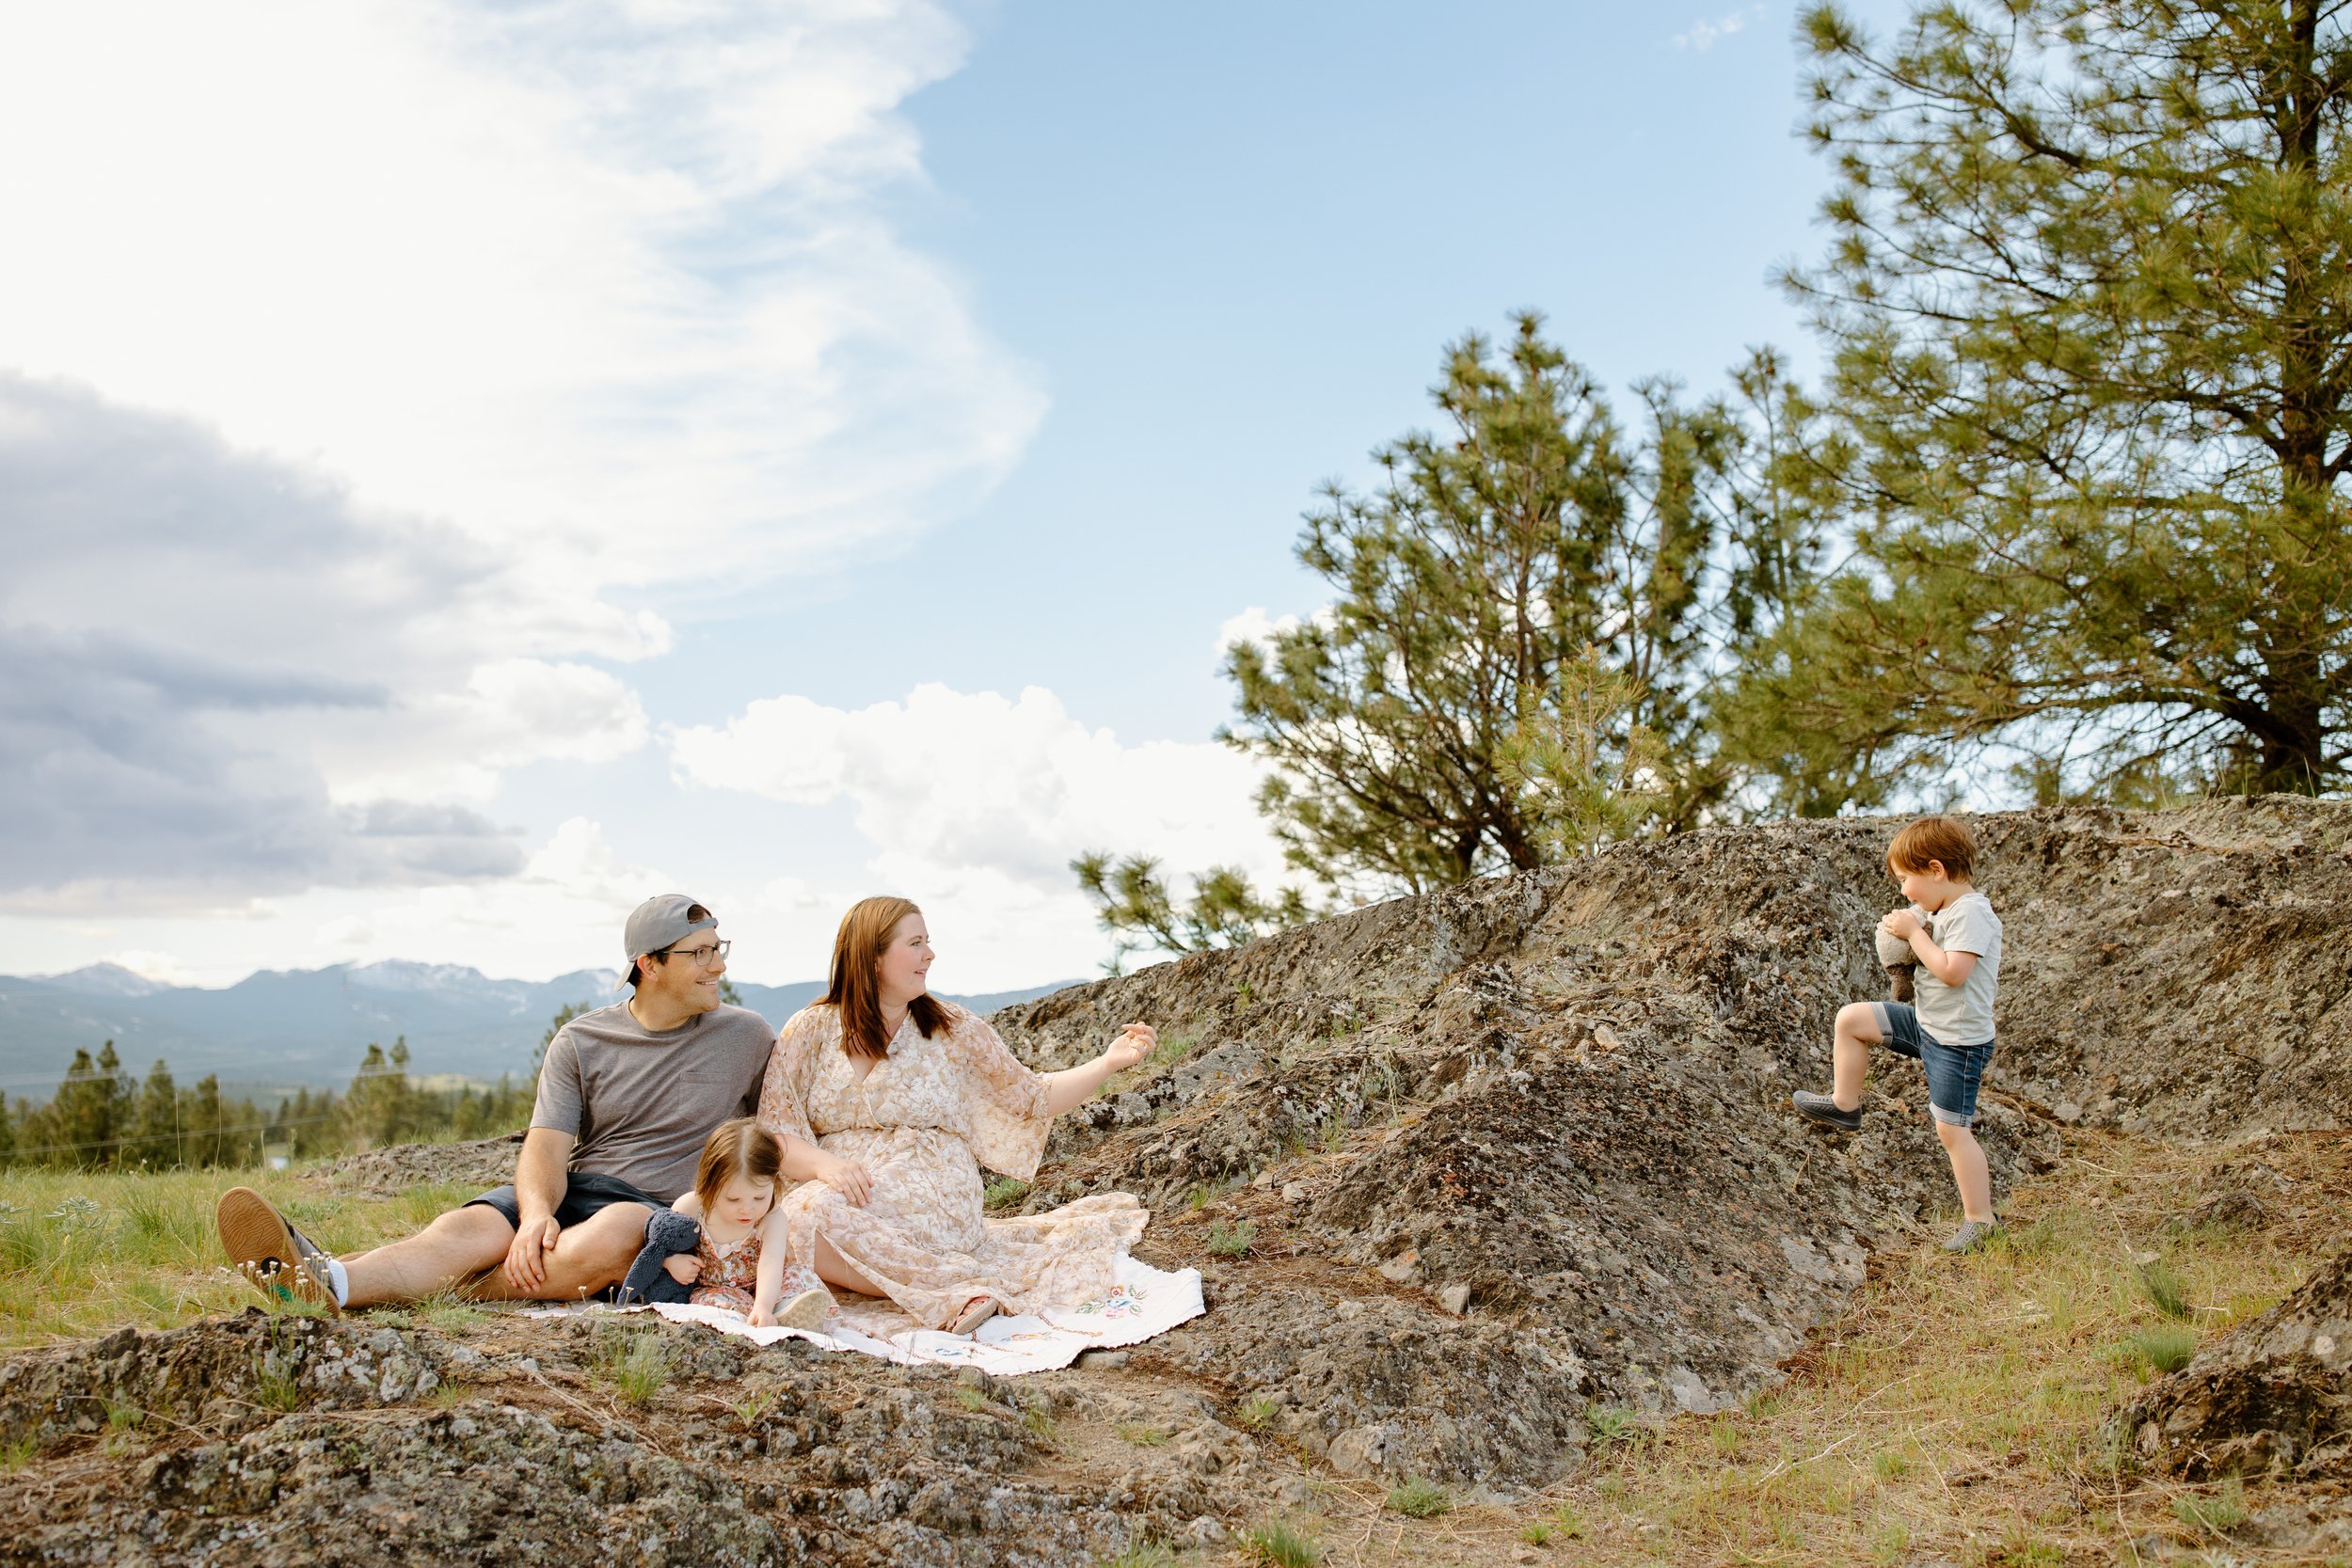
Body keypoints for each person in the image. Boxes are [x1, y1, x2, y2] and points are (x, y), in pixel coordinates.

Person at [215, 895, 778, 1309]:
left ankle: (346, 1283)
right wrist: (534, 1216)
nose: (719, 966)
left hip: (660, 1212)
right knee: (470, 1234)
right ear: (649, 965)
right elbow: (547, 1148)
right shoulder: (581, 1040)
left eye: (718, 949)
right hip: (576, 1191)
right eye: (699, 954)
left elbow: (780, 1135)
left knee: (619, 1230)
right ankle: (332, 1281)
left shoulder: (747, 1035)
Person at [755, 895, 1153, 1335]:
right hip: (845, 1187)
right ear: (871, 959)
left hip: (933, 1190)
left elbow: (1032, 1097)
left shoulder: (952, 1028)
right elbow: (774, 1133)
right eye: (916, 943)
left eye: (928, 941)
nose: (930, 954)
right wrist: (825, 1165)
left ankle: (950, 1292)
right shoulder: (811, 1029)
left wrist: (1108, 1063)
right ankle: (947, 1286)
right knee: (786, 1221)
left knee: (805, 1218)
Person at [1793, 815, 2006, 1252]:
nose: (1904, 891)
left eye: (1906, 879)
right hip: (1926, 1024)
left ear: (1936, 870)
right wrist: (1900, 929)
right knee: (1851, 1020)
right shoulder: (1937, 907)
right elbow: (1912, 929)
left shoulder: (1972, 914)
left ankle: (1982, 1221)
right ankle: (1844, 1105)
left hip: (1958, 1044)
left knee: (1951, 1131)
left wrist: (1914, 933)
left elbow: (1951, 972)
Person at [626, 1117, 832, 1328]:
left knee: (799, 1277)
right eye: (733, 1199)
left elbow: (771, 1264)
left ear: (774, 1180)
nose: (747, 1209)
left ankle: (782, 1310)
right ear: (710, 1185)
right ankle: (762, 1317)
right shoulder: (693, 1206)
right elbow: (659, 1242)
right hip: (714, 1290)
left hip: (763, 1289)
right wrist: (671, 1261)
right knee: (716, 1305)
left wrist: (763, 1305)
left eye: (759, 1198)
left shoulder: (772, 1218)